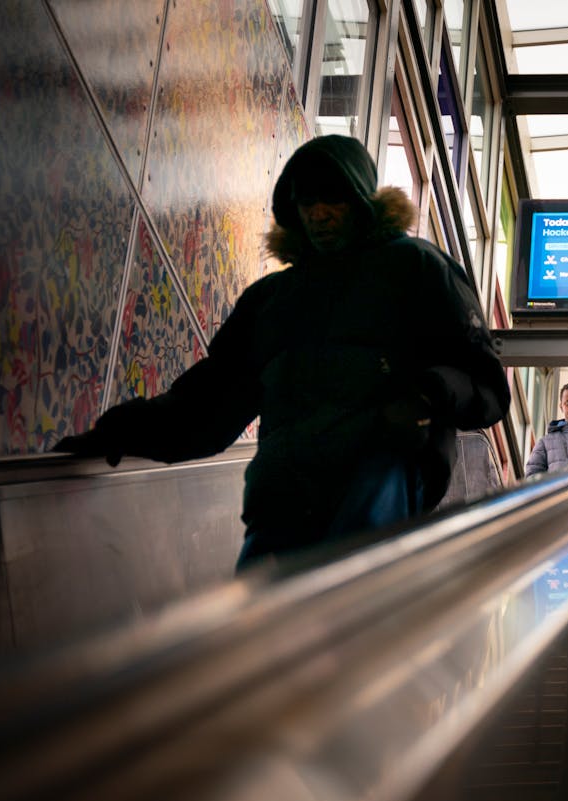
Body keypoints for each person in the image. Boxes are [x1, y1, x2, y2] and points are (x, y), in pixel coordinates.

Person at [54, 135, 509, 568]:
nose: (319, 214)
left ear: (361, 200)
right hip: (282, 502)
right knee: (262, 637)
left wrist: (427, 396)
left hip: (377, 481)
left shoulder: (417, 268)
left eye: (333, 198)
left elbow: (484, 381)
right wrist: (118, 430)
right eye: (306, 202)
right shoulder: (272, 299)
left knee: (340, 614)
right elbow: (207, 406)